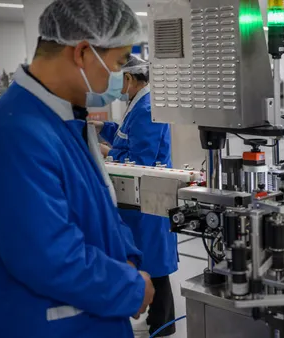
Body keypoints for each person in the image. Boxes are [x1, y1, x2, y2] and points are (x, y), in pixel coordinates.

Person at [0, 1, 155, 337]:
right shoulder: (14, 134)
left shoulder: (65, 120)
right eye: (119, 61)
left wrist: (126, 257)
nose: (120, 74)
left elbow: (102, 207)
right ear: (83, 52)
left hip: (95, 315)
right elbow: (48, 257)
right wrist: (129, 287)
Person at [93, 55, 178, 337]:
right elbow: (126, 136)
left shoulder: (147, 106)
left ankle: (163, 325)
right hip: (138, 199)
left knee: (155, 264)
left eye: (117, 79)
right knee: (148, 259)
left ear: (129, 79)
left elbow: (141, 157)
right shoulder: (137, 103)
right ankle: (158, 319)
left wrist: (107, 154)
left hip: (149, 196)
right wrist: (101, 129)